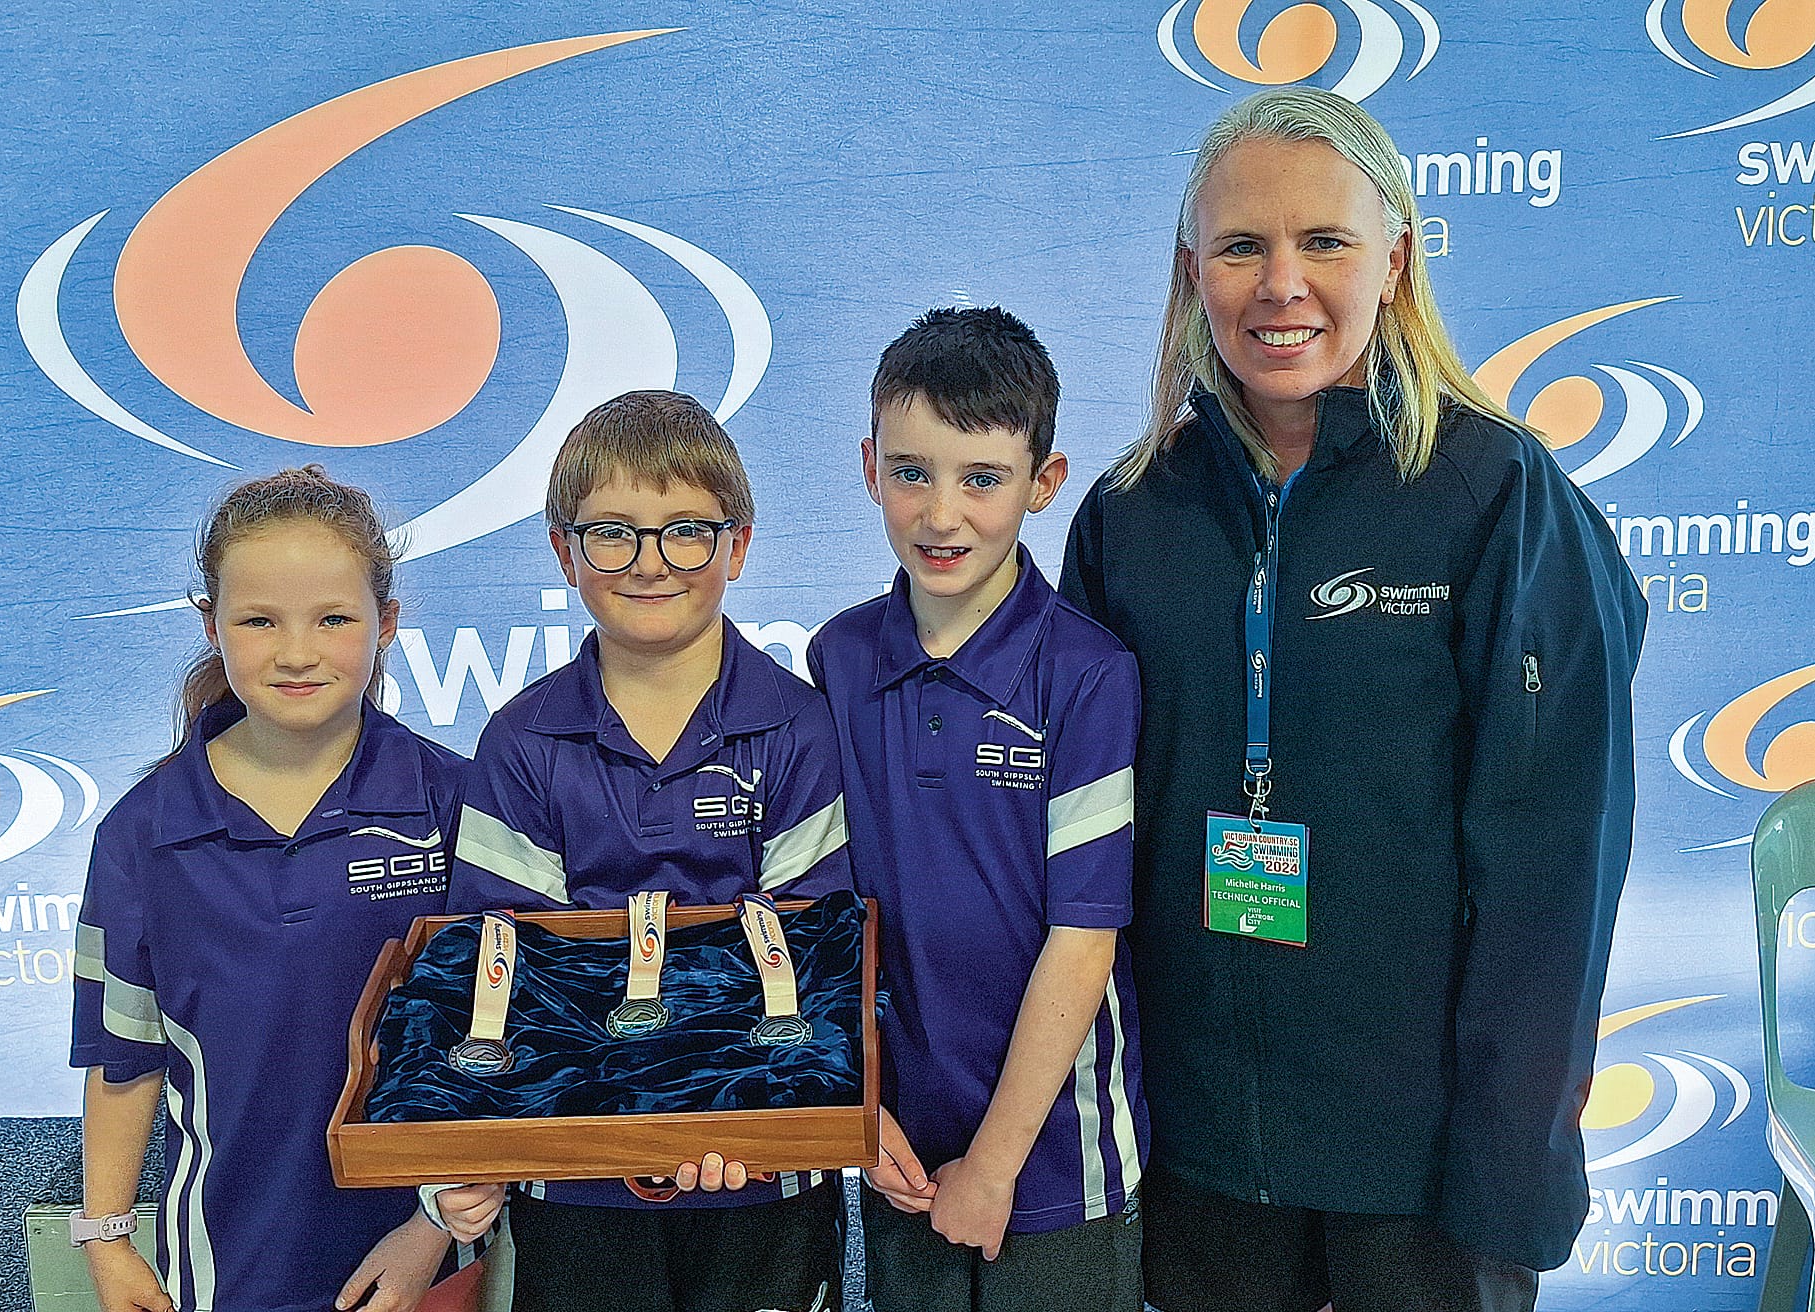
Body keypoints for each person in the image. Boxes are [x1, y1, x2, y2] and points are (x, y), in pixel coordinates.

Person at [1059, 87, 1648, 1312]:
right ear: (1190, 271)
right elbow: (1081, 854)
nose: (1280, 284)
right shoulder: (1129, 516)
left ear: (1395, 261)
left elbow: (1557, 868)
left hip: (1425, 1166)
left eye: (1322, 241)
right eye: (1240, 246)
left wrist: (1511, 1158)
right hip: (1199, 1151)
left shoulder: (1499, 497)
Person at [430, 390, 854, 1312]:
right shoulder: (521, 742)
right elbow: (505, 973)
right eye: (613, 532)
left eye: (685, 532)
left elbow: (810, 960)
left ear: (737, 546)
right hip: (570, 1175)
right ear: (563, 551)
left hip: (756, 1162)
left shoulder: (798, 729)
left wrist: (720, 1103)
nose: (650, 562)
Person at [70, 466, 475, 1312]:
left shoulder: (455, 806)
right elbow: (125, 1060)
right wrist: (106, 1238)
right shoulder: (143, 832)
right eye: (259, 620)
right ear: (211, 625)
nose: (297, 651)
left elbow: (498, 1046)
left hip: (423, 1253)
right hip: (225, 1265)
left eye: (334, 618)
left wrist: (433, 1227)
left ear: (387, 624)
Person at [808, 307, 1147, 1312]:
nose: (940, 513)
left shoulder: (1087, 675)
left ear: (1043, 482)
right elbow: (823, 922)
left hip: (1053, 1163)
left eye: (980, 479)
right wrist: (860, 1111)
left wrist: (995, 1165)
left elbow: (1082, 941)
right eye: (911, 472)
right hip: (895, 1150)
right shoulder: (835, 659)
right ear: (869, 466)